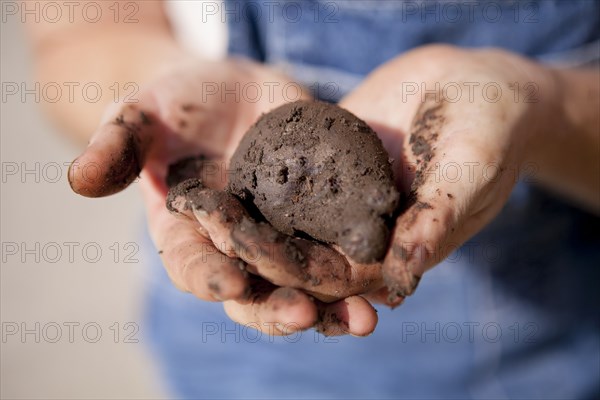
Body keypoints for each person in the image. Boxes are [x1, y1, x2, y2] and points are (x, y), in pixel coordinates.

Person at [27, 0, 599, 398]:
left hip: (544, 355)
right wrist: (167, 88)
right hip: (233, 353)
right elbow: (76, 37)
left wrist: (538, 107)